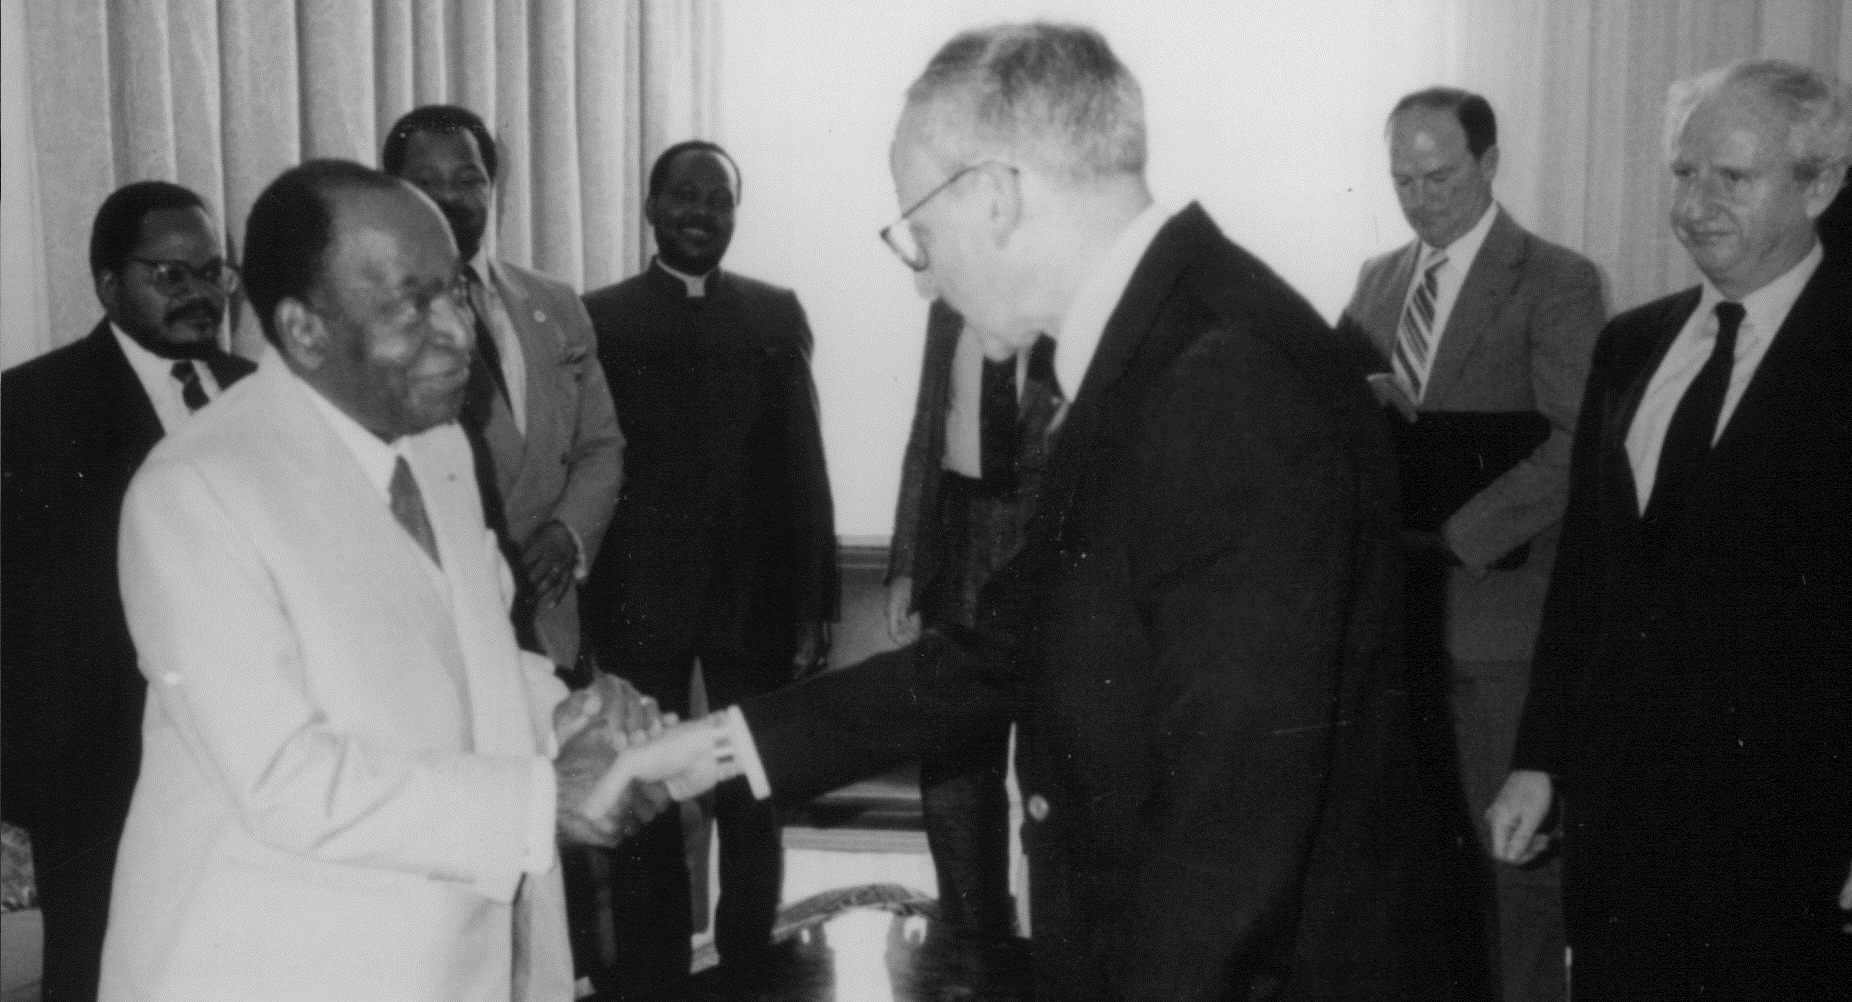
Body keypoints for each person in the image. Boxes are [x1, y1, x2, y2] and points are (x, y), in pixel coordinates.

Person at [625, 22, 1423, 1001]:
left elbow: (1231, 825)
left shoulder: (1219, 377)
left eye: (918, 235)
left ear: (994, 196)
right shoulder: (1152, 345)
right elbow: (999, 645)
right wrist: (714, 747)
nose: (920, 276)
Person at [97, 159, 659, 1002]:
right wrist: (543, 799)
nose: (459, 332)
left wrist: (566, 713)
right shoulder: (195, 491)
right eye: (412, 305)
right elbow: (284, 779)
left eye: (457, 294)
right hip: (276, 963)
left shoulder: (436, 445)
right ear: (304, 329)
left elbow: (473, 654)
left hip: (448, 955)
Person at [1488, 59, 1852, 1000]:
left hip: (1787, 835)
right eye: (1685, 173)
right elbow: (1587, 577)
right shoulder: (1633, 344)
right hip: (1620, 829)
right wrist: (1539, 759)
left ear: (1819, 184)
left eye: (1732, 177)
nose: (1696, 204)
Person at [1336, 88, 1605, 1002]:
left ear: (1489, 165)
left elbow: (1582, 443)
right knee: (1419, 873)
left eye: (1440, 176)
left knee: (1514, 877)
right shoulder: (1377, 279)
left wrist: (1457, 536)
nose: (1421, 199)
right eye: (1402, 180)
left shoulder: (1558, 280)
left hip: (1499, 628)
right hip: (1397, 629)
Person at [579, 139, 840, 998]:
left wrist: (815, 601)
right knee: (649, 786)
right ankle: (654, 975)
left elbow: (804, 464)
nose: (701, 213)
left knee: (752, 792)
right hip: (636, 595)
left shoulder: (773, 312)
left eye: (719, 199)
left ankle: (747, 964)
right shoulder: (600, 315)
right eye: (684, 197)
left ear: (735, 213)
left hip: (752, 595)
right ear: (651, 209)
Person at [1, 181, 255, 1002]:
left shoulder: (265, 396)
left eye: (212, 271)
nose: (199, 294)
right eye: (169, 274)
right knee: (102, 974)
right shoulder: (29, 409)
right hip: (100, 770)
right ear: (108, 284)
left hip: (254, 751)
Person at [382, 105, 623, 673]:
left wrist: (568, 532)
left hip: (549, 598)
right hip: (444, 604)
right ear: (394, 193)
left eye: (469, 180)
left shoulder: (554, 303)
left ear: (493, 189)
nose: (450, 197)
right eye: (426, 183)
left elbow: (601, 444)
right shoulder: (373, 316)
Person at [885, 300, 1052, 962]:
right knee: (955, 762)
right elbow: (927, 433)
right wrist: (906, 565)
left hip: (1050, 545)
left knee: (1053, 758)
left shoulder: (1063, 286)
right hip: (963, 541)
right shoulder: (949, 304)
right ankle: (974, 939)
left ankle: (1051, 949)